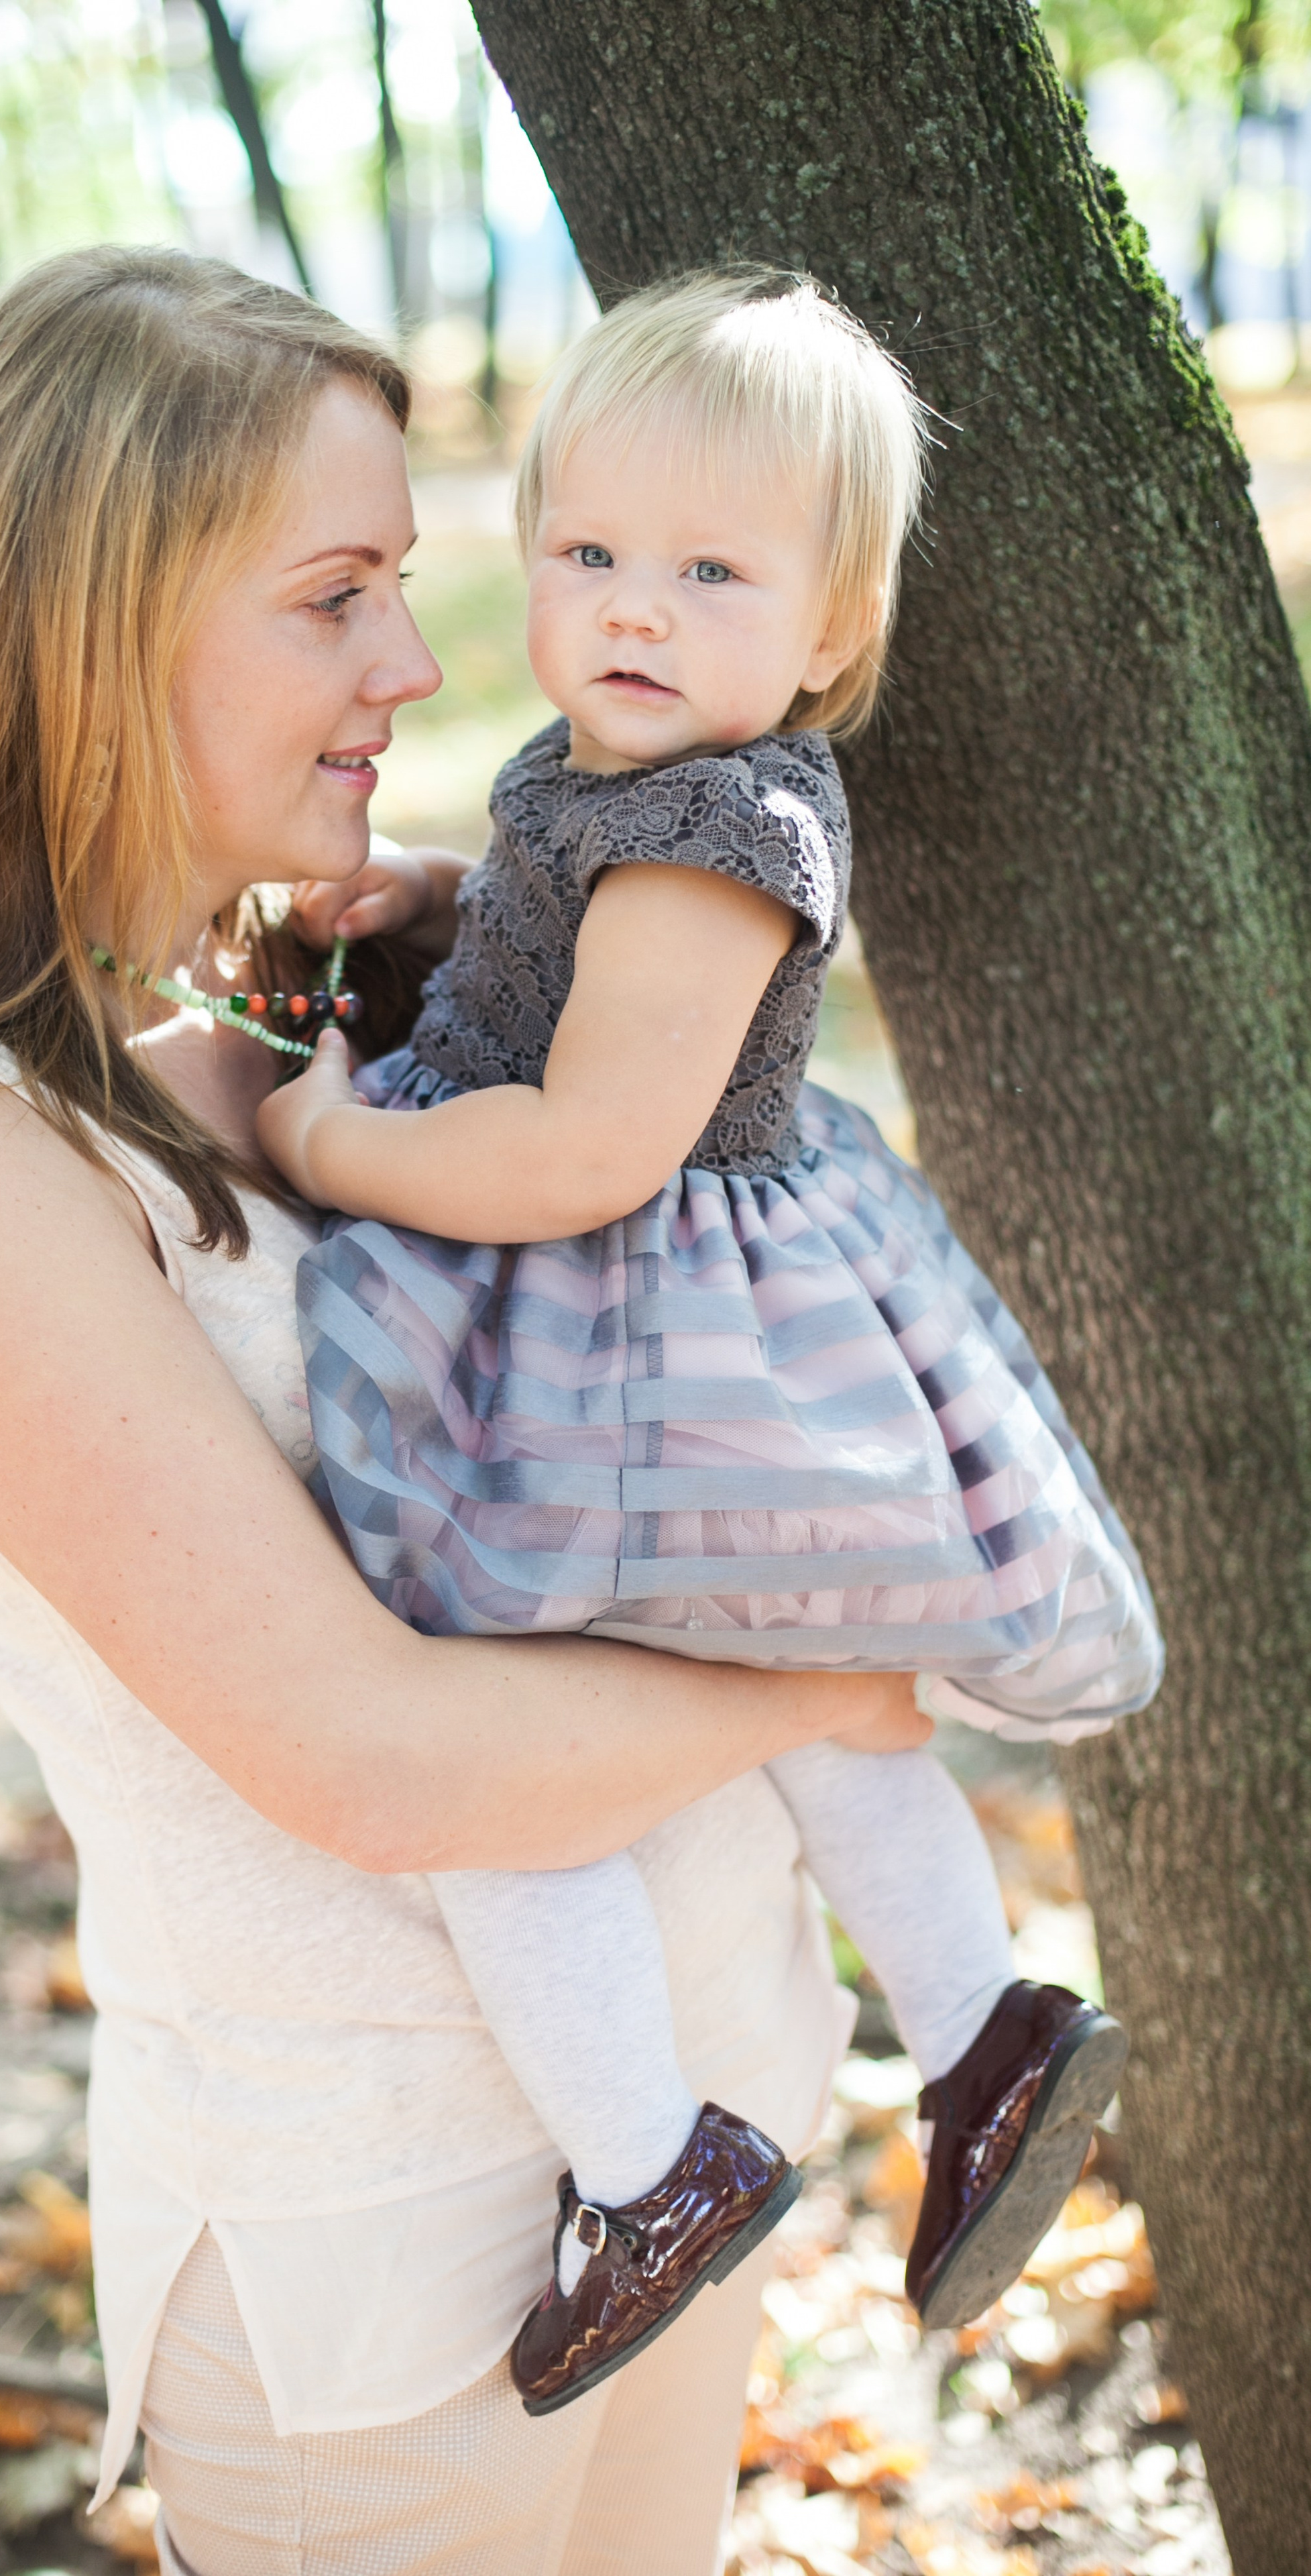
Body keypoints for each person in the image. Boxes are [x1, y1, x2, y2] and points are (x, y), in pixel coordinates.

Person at [0, 245, 931, 2576]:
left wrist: (473, 945)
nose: (420, 667)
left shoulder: (259, 1003)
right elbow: (372, 1757)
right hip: (391, 2270)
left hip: (693, 2119)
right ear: (91, 626)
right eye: (336, 595)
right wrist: (854, 1656)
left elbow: (394, 1136)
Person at [257, 270, 1163, 2414]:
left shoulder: (724, 828)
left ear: (825, 636)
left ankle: (650, 2166)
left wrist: (330, 1140)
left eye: (710, 572)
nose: (634, 611)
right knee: (783, 1686)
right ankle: (980, 2028)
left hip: (640, 1328)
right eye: (589, 555)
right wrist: (441, 903)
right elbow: (560, 926)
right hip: (681, 1317)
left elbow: (582, 1146)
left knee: (509, 1721)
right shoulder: (615, 781)